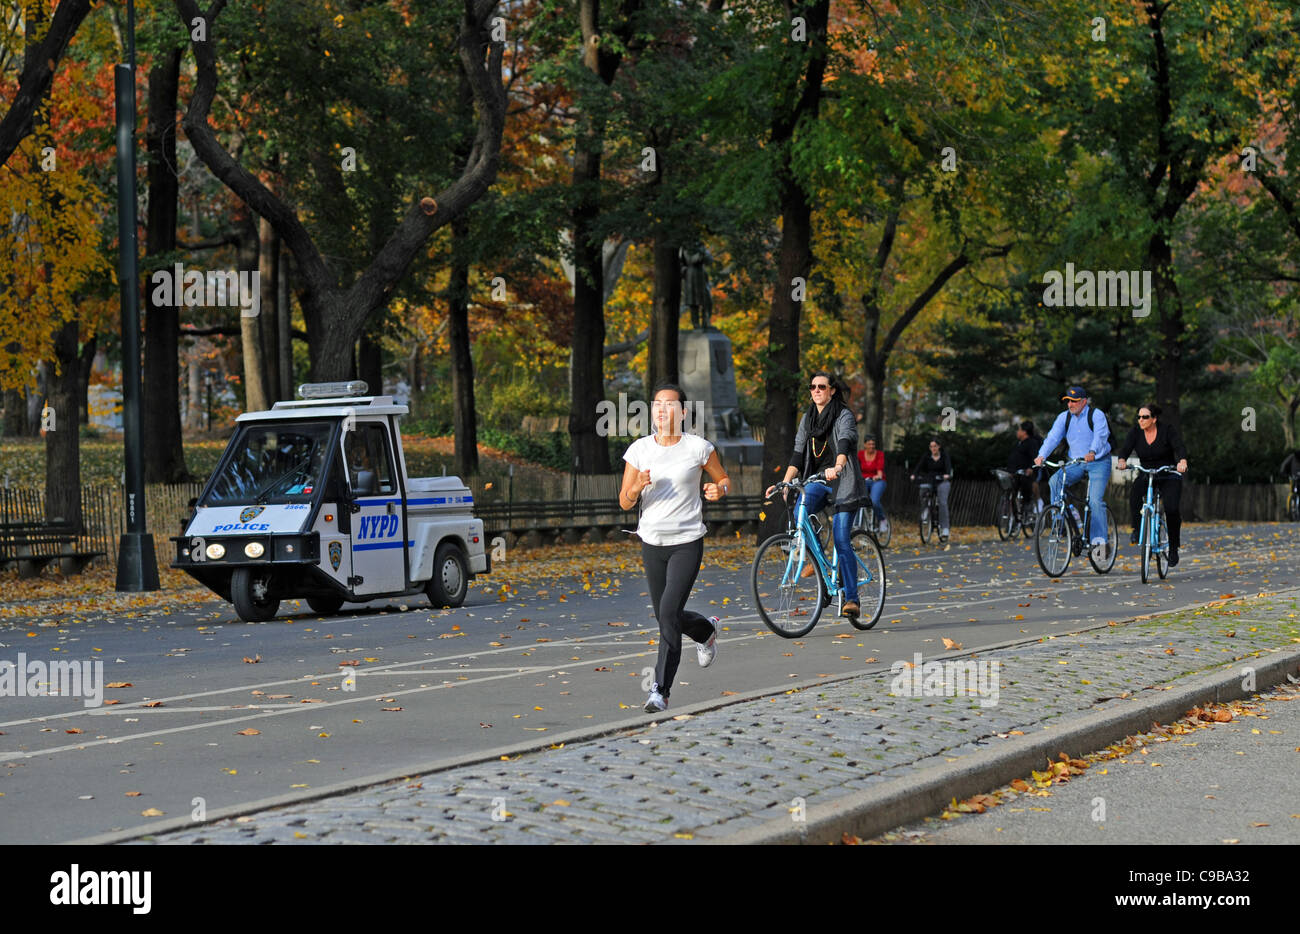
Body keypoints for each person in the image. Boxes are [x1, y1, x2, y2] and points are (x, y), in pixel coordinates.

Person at [620, 383, 730, 714]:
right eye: (656, 405)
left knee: (667, 613)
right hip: (652, 543)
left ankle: (660, 690)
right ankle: (706, 630)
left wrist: (718, 490)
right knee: (666, 616)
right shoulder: (639, 450)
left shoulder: (699, 448)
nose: (662, 410)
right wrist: (637, 487)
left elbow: (723, 480)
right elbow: (625, 502)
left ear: (683, 412)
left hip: (687, 541)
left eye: (669, 405)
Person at [766, 371, 866, 617]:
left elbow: (845, 441)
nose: (817, 390)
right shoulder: (807, 419)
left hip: (843, 480)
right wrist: (785, 482)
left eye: (822, 386)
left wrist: (839, 466)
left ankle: (851, 599)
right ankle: (823, 576)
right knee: (801, 508)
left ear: (832, 390)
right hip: (817, 479)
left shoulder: (844, 415)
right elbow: (798, 454)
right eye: (812, 387)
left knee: (842, 539)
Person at [1034, 385, 1112, 564]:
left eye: (1074, 401)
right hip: (1076, 462)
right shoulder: (1064, 417)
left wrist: (1092, 451)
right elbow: (1053, 437)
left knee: (1094, 501)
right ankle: (1059, 522)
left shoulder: (1096, 415)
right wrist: (1041, 455)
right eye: (1068, 401)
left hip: (1098, 461)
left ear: (1084, 401)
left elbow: (1100, 436)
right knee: (1055, 481)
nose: (1070, 404)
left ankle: (1099, 545)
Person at [1116, 404, 1188, 566]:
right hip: (1146, 473)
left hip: (1168, 473)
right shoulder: (1135, 432)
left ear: (1154, 419)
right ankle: (1137, 529)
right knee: (1135, 494)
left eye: (1145, 417)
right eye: (1139, 417)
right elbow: (1126, 448)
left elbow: (1179, 446)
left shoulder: (1167, 430)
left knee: (1171, 508)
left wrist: (1182, 460)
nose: (1141, 420)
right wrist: (1122, 460)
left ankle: (1174, 548)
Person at [911, 438, 953, 543]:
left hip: (942, 480)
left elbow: (948, 468)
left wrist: (947, 475)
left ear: (939, 446)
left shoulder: (944, 456)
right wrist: (914, 475)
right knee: (923, 490)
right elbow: (919, 467)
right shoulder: (927, 456)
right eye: (931, 447)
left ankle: (945, 528)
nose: (933, 448)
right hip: (930, 480)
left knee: (942, 502)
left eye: (935, 446)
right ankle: (925, 510)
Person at [1007, 420, 1043, 513]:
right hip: (1015, 473)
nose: (1017, 432)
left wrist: (1031, 468)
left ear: (1024, 432)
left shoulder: (1032, 443)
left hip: (1025, 474)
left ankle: (1033, 503)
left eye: (1019, 430)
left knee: (1029, 485)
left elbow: (1035, 457)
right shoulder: (1020, 443)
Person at [856, 433, 887, 535]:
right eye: (869, 444)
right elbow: (856, 468)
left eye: (873, 444)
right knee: (856, 499)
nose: (871, 446)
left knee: (874, 501)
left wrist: (878, 476)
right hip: (864, 481)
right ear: (865, 444)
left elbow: (880, 469)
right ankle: (856, 523)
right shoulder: (860, 454)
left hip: (877, 481)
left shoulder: (879, 454)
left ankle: (882, 520)